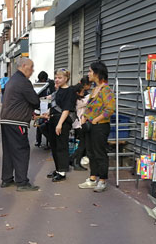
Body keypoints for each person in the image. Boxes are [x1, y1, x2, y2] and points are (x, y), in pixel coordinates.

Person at [0, 58, 41, 191]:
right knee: (21, 150)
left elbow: (18, 101)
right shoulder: (23, 82)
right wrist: (32, 108)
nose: (32, 70)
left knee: (9, 151)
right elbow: (35, 101)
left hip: (6, 120)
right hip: (16, 121)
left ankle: (7, 179)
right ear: (24, 66)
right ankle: (22, 182)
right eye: (31, 67)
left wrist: (29, 111)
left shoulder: (12, 80)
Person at [78, 61, 115, 193]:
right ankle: (92, 178)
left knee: (100, 153)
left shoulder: (106, 90)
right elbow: (89, 107)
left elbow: (110, 109)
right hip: (90, 126)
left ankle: (103, 180)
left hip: (100, 126)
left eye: (90, 71)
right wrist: (84, 117)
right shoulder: (95, 89)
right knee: (91, 153)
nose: (88, 74)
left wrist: (95, 120)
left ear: (97, 73)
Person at [44, 69, 77, 182]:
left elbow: (66, 109)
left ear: (66, 78)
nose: (57, 80)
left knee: (61, 146)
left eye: (60, 78)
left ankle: (62, 172)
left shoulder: (70, 91)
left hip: (62, 121)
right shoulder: (57, 90)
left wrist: (59, 124)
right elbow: (55, 105)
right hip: (53, 119)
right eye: (56, 77)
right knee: (54, 145)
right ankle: (58, 169)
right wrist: (48, 112)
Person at [71, 76, 91, 171]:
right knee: (82, 145)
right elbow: (87, 100)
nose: (84, 93)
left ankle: (71, 159)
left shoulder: (79, 99)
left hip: (78, 124)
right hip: (79, 124)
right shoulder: (78, 101)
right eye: (82, 92)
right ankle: (76, 162)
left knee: (83, 144)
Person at [35, 71, 55, 148]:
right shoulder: (38, 84)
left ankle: (49, 142)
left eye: (42, 80)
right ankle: (38, 141)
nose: (41, 81)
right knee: (38, 123)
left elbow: (53, 93)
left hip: (48, 105)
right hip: (40, 105)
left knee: (47, 124)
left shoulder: (51, 84)